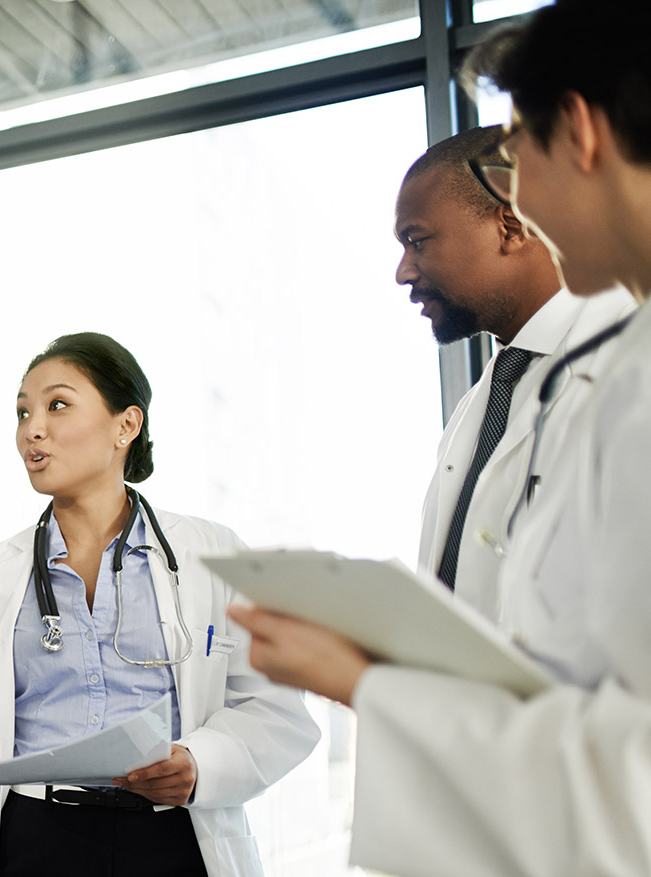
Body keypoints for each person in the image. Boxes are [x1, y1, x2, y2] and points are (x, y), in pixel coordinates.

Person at [232, 2, 651, 874]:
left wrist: (365, 680)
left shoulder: (624, 380)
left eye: (516, 151)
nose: (519, 192)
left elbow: (634, 775)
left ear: (577, 130)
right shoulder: (534, 390)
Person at [0, 333, 319, 877]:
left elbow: (276, 710)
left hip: (174, 837)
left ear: (126, 425)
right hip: (34, 840)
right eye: (23, 412)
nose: (32, 429)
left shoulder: (213, 555)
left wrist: (199, 764)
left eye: (57, 405)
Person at [398, 126, 633, 618]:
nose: (404, 272)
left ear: (510, 228)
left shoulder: (627, 366)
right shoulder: (480, 407)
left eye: (417, 241)